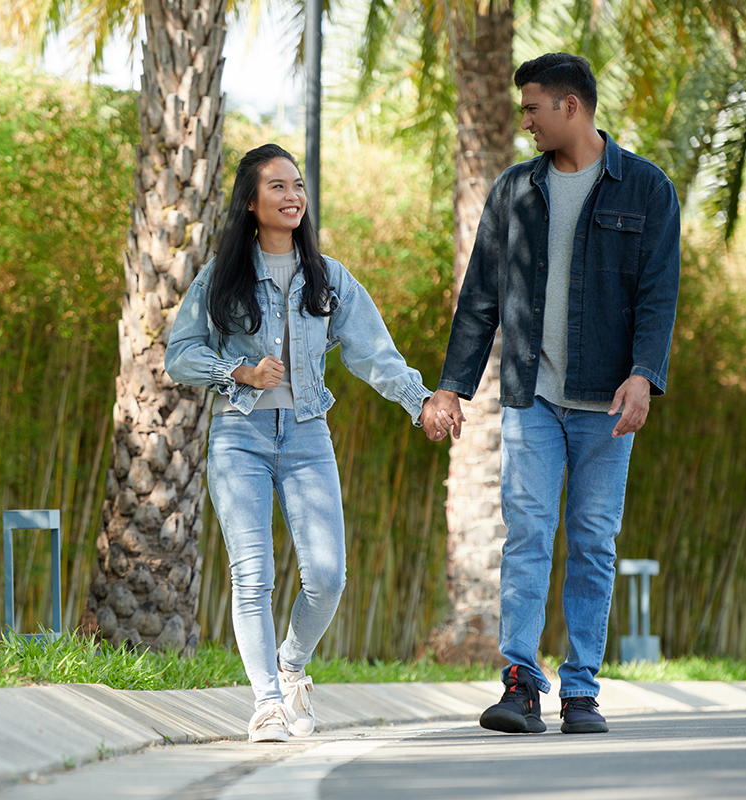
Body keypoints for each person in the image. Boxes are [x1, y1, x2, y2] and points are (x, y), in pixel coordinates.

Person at [424, 53, 681, 735]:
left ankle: (582, 692)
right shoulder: (514, 191)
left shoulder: (646, 189)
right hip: (532, 395)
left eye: (533, 108)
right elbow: (480, 298)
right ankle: (520, 683)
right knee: (530, 532)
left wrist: (644, 376)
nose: (524, 121)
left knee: (593, 540)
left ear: (572, 107)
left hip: (608, 403)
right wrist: (452, 387)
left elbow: (658, 295)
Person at [166, 144, 442, 742]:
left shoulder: (328, 276)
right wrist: (237, 371)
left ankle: (291, 667)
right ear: (249, 201)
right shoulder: (221, 278)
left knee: (328, 575)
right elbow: (179, 354)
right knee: (252, 575)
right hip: (239, 437)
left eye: (298, 186)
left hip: (308, 437)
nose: (293, 196)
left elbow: (374, 353)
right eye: (278, 187)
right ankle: (266, 702)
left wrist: (419, 402)